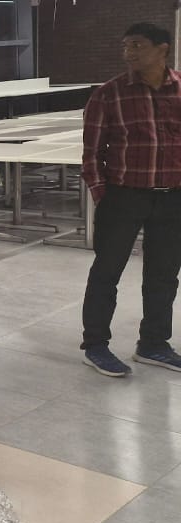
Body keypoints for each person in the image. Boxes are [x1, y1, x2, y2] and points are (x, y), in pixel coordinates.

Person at [80, 22, 181, 377]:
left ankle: (153, 343)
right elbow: (91, 153)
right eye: (125, 46)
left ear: (162, 48)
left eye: (137, 45)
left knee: (164, 275)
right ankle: (95, 345)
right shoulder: (109, 94)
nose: (129, 53)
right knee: (106, 272)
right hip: (123, 197)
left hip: (173, 199)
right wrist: (102, 195)